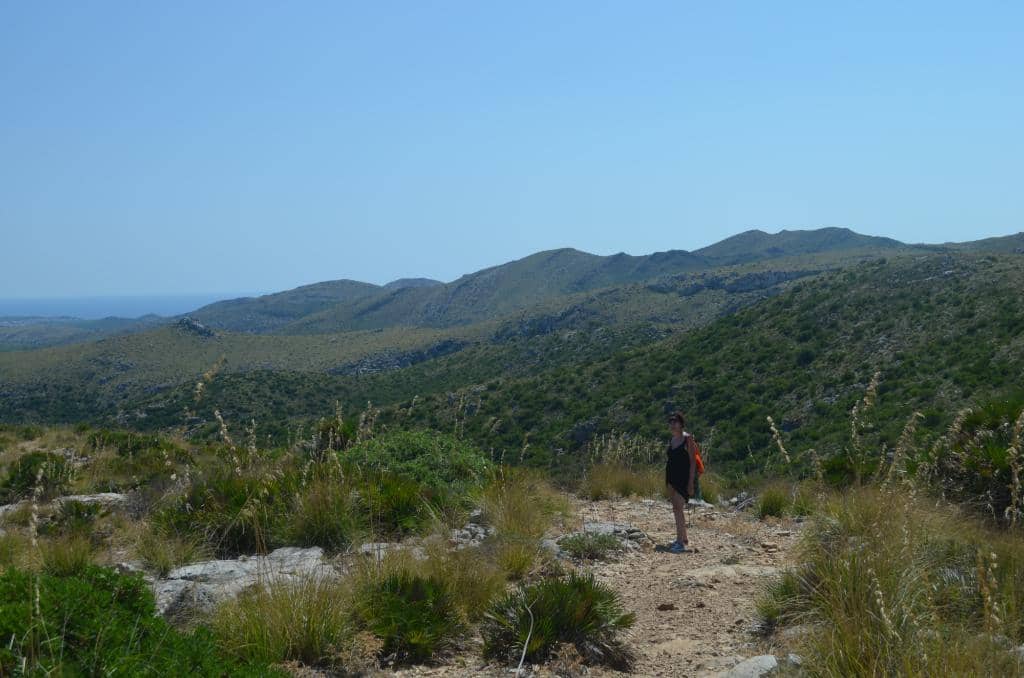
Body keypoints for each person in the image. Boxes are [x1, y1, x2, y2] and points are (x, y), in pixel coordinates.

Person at [665, 411, 696, 553]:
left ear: (681, 423)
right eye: (671, 421)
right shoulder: (672, 440)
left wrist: (691, 481)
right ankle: (683, 538)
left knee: (678, 507)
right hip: (672, 478)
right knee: (676, 508)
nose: (672, 424)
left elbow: (692, 461)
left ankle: (680, 543)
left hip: (683, 478)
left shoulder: (687, 439)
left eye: (675, 421)